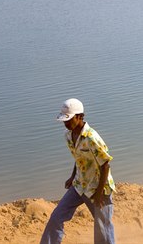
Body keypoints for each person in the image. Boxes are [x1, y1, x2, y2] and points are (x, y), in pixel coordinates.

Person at [41, 98, 116, 244]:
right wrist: (72, 176)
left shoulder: (91, 138)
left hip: (98, 188)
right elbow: (79, 158)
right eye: (64, 120)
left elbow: (105, 164)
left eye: (68, 119)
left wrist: (99, 192)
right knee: (56, 217)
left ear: (80, 116)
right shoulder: (69, 136)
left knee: (103, 229)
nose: (66, 123)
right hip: (79, 185)